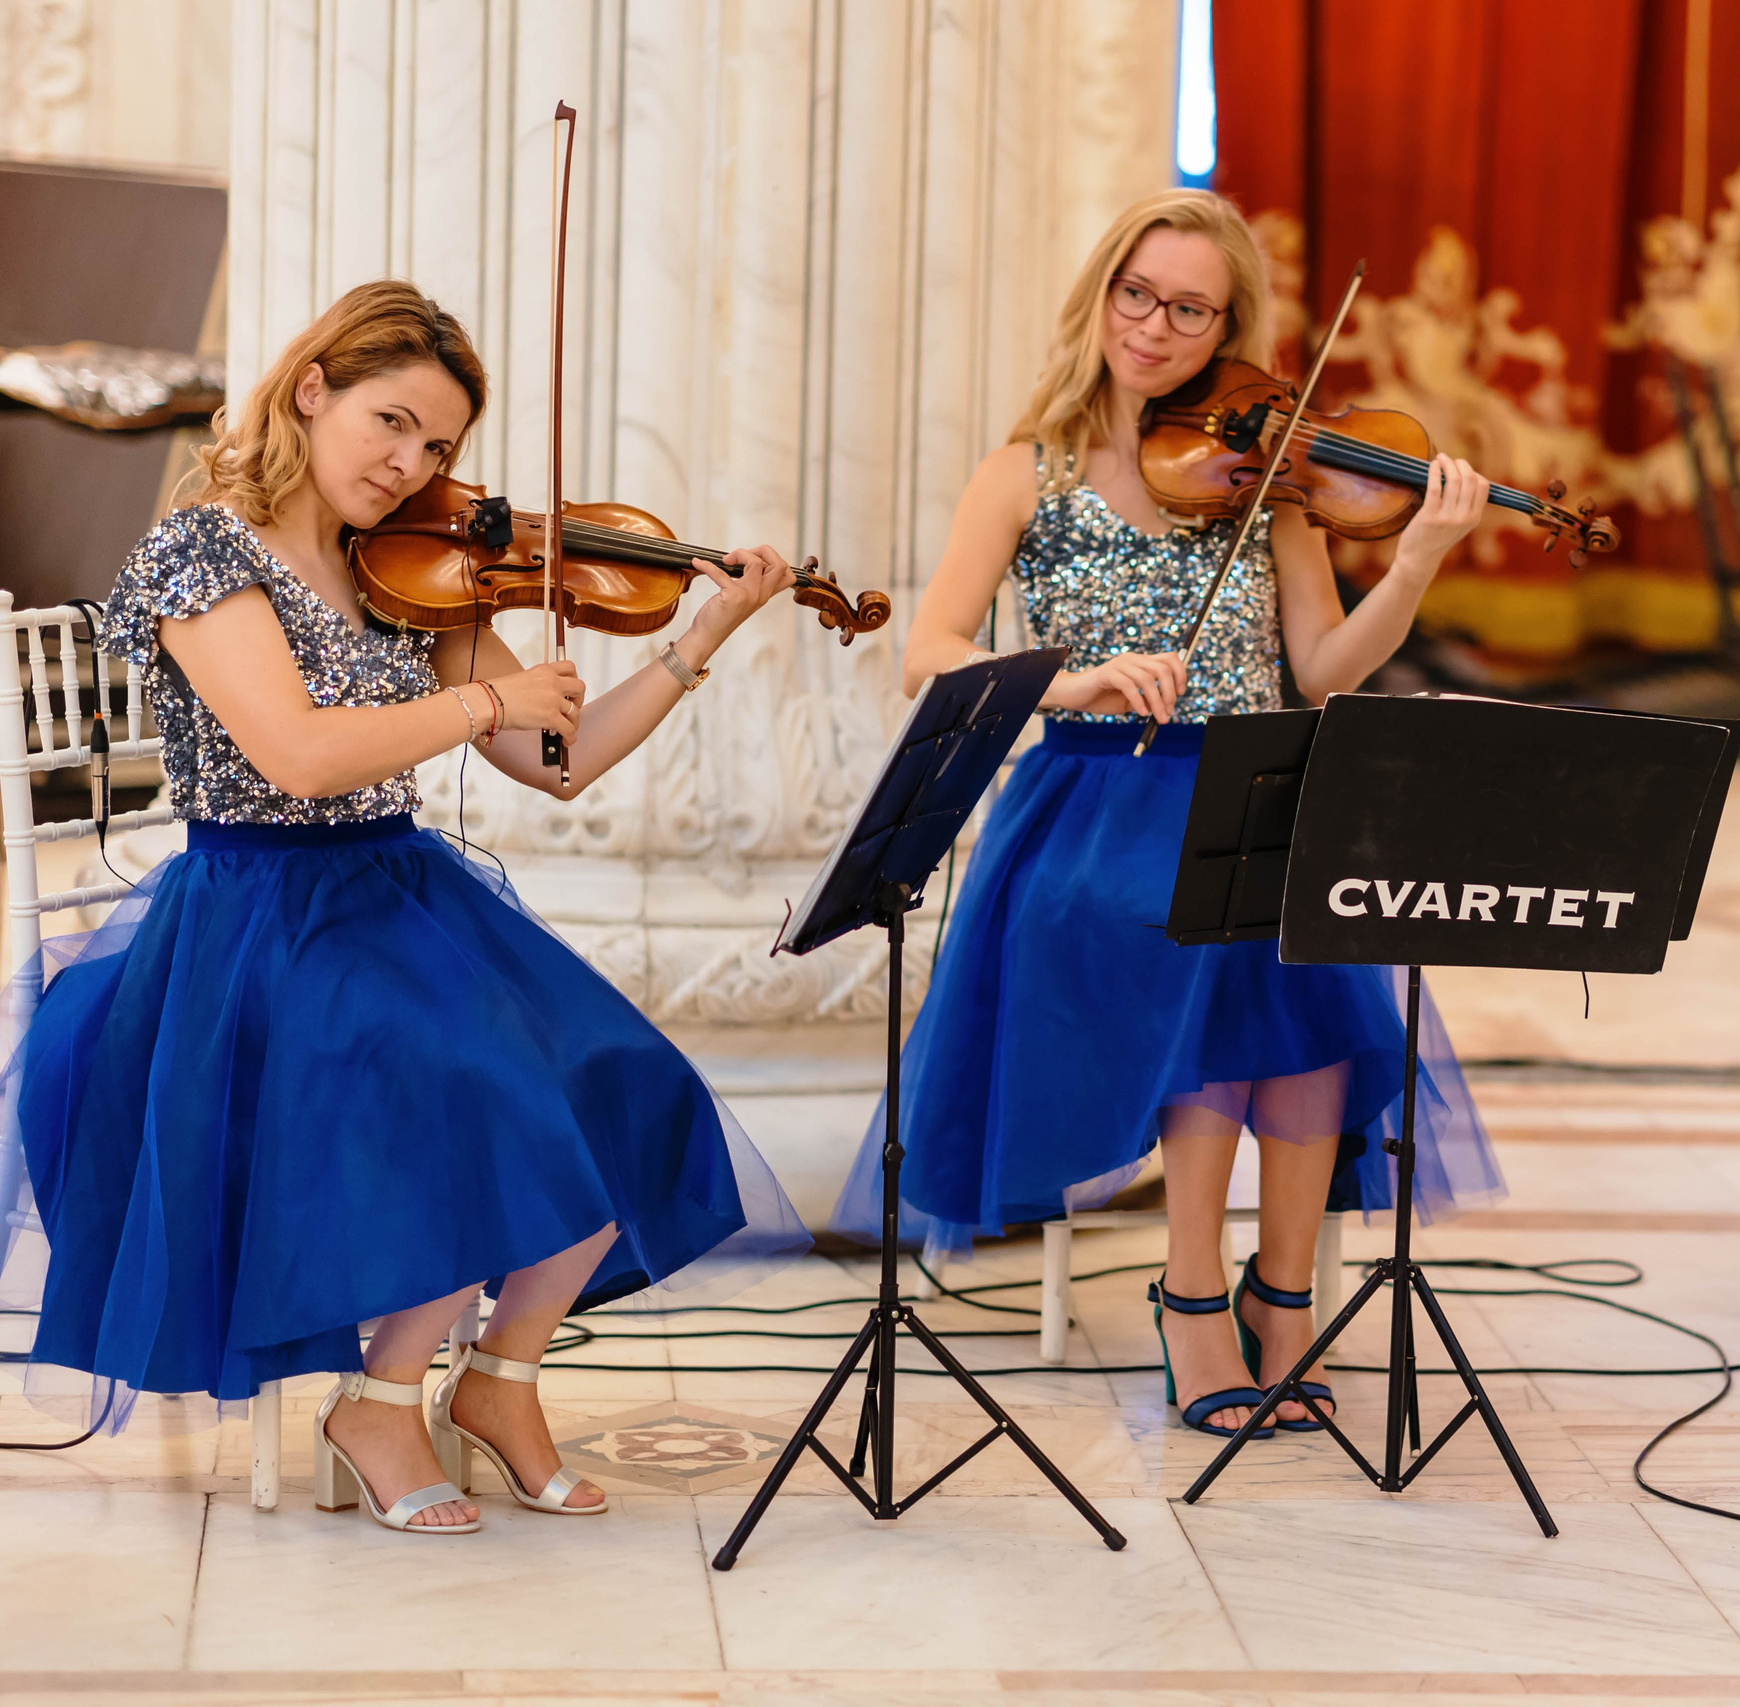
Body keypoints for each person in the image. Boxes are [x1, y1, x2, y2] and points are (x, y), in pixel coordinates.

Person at [5, 279, 813, 1534]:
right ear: (311, 389)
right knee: (476, 1086)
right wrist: (491, 700)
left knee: (619, 1076)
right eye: (390, 424)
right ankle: (382, 1400)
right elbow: (299, 755)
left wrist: (699, 634)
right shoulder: (200, 551)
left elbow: (563, 762)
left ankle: (498, 1381)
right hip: (255, 919)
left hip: (396, 888)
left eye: (437, 445)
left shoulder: (414, 568)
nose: (410, 465)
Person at [833, 188, 1504, 1438]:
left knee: (1305, 969)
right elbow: (929, 649)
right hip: (1093, 801)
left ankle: (1284, 1295)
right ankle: (1192, 1294)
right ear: (1099, 296)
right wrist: (1072, 679)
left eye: (1188, 309)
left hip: (1255, 780)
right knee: (1203, 942)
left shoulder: (1268, 476)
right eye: (1135, 294)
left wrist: (1411, 562)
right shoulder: (1024, 473)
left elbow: (1321, 672)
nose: (1153, 326)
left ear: (1224, 328)